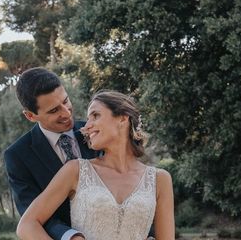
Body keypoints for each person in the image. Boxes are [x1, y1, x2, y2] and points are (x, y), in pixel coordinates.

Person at [16, 90, 175, 240]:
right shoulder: (76, 170)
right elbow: (27, 225)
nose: (86, 126)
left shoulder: (159, 179)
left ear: (122, 118)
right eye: (88, 118)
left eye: (95, 115)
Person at [4, 67, 98, 240]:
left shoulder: (97, 131)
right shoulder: (18, 156)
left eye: (66, 101)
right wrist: (71, 236)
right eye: (54, 111)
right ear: (31, 116)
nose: (66, 112)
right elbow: (32, 215)